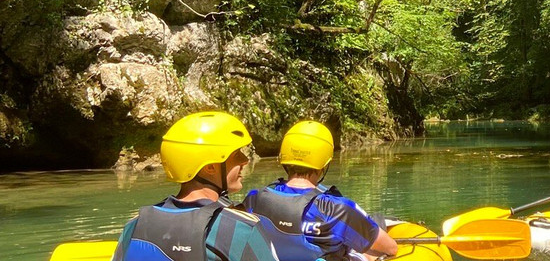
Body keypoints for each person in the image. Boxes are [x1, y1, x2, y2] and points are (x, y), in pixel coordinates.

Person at [111, 110, 287, 261]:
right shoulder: (240, 229)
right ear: (209, 167)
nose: (245, 160)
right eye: (236, 155)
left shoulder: (134, 225)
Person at [242, 119, 397, 260]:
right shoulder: (337, 209)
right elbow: (391, 248)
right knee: (368, 253)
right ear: (325, 163)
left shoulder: (254, 199)